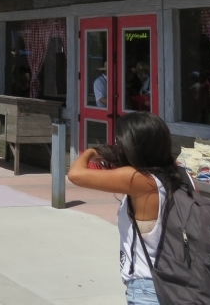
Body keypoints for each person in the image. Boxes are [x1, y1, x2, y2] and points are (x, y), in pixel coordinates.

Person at [67, 112, 183, 305]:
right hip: (183, 284)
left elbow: (75, 174)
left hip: (149, 287)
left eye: (119, 142)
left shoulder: (139, 179)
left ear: (133, 145)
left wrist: (93, 151)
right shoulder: (184, 177)